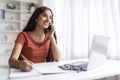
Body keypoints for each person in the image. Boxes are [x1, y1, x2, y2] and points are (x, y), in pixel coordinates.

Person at [8, 6, 61, 72]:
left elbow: (58, 58)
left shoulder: (49, 36)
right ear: (36, 18)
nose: (48, 20)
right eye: (44, 16)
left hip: (44, 72)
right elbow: (11, 61)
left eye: (50, 17)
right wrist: (20, 64)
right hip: (29, 72)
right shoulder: (23, 36)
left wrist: (51, 37)